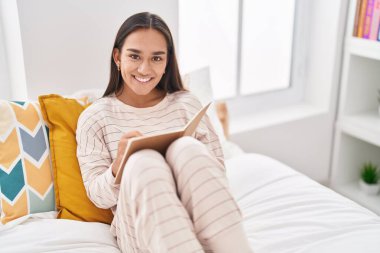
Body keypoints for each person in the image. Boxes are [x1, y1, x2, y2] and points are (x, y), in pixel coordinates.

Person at [76, 12, 252, 253]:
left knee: (186, 148)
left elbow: (217, 173)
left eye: (156, 58)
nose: (144, 68)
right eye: (134, 56)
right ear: (117, 57)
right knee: (142, 161)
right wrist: (119, 165)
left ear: (167, 61)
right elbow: (98, 197)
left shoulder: (186, 103)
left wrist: (181, 164)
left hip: (198, 218)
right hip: (139, 230)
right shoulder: (95, 117)